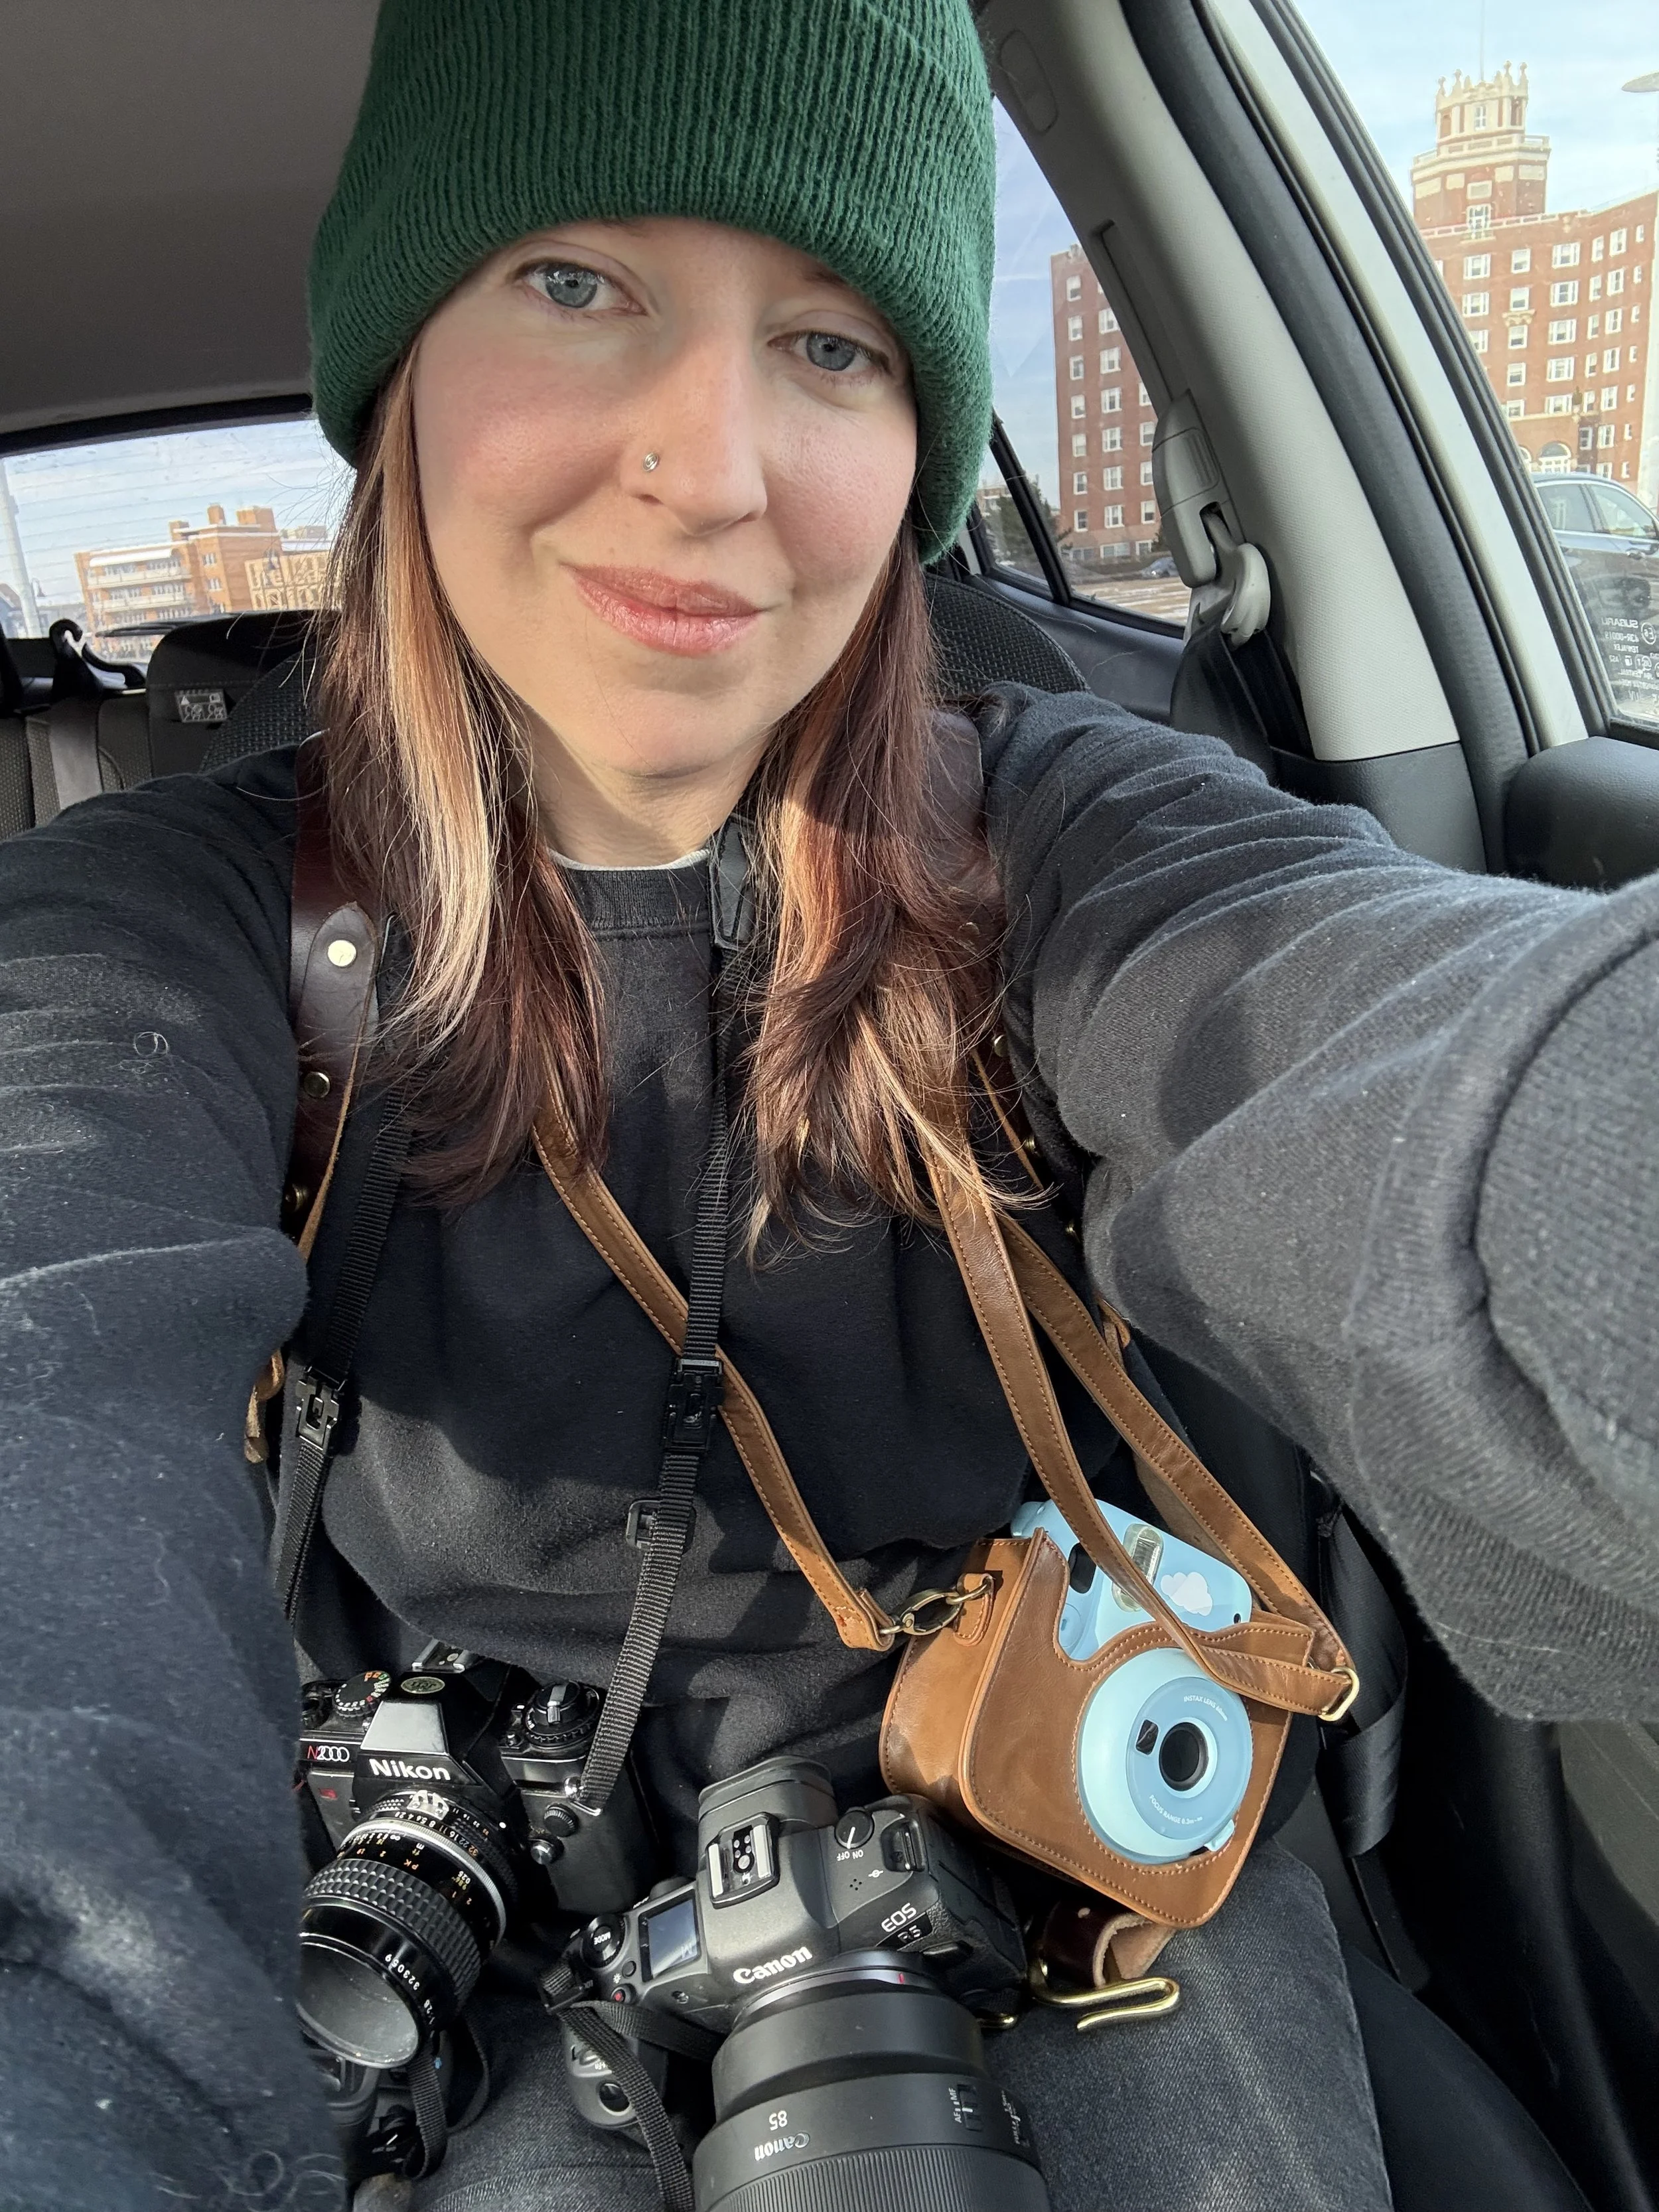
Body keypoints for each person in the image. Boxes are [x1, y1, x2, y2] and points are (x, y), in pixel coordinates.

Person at [1, 1, 1656, 2207]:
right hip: (476, 1864)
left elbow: (1400, 1060)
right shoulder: (165, 924)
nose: (714, 463)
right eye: (575, 283)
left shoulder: (1066, 837)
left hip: (1029, 1789)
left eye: (835, 344)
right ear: (398, 368)